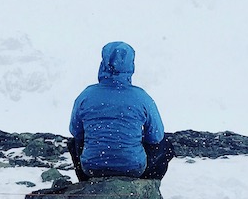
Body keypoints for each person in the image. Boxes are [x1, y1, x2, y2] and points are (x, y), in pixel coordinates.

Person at [68, 41, 172, 182]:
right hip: (133, 169)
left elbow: (75, 131)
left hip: (92, 168)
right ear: (131, 65)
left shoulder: (86, 95)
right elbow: (156, 136)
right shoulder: (141, 97)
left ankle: (87, 183)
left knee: (74, 143)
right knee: (166, 145)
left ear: (103, 63)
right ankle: (145, 185)